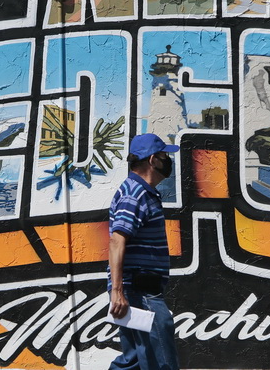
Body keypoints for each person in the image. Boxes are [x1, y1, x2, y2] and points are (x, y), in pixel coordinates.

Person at [108, 133, 181, 370]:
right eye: (164, 156)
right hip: (140, 291)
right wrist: (118, 291)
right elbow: (117, 240)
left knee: (134, 361)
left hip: (136, 289)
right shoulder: (135, 194)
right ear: (152, 160)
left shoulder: (141, 192)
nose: (168, 161)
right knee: (162, 360)